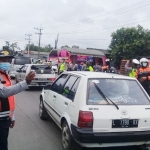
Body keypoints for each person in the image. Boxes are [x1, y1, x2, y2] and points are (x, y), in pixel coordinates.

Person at [0, 51, 35, 150]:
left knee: (3, 144)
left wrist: (12, 116)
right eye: (3, 60)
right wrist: (25, 82)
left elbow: (9, 98)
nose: (6, 62)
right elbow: (3, 92)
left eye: (7, 60)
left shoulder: (5, 75)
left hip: (5, 119)